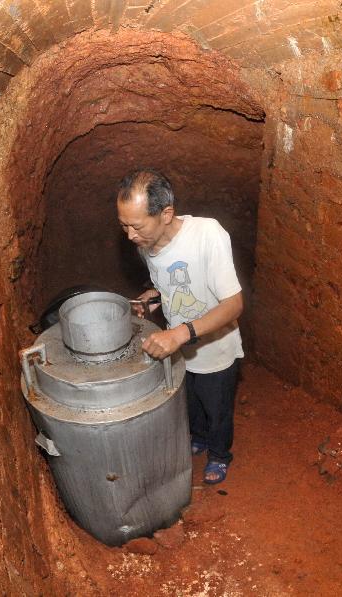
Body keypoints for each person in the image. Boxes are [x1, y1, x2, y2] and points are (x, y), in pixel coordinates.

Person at [116, 169, 244, 485]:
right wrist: (153, 298)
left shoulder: (207, 235)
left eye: (137, 226)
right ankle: (198, 437)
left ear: (166, 213)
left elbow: (233, 305)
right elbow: (171, 285)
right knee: (191, 403)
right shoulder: (145, 245)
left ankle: (218, 454)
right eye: (123, 225)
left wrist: (180, 333)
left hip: (215, 349)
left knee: (217, 409)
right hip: (181, 348)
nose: (130, 235)